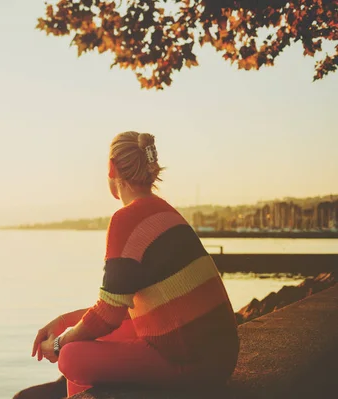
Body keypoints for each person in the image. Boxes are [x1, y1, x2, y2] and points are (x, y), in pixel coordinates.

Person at [14, 131, 239, 399]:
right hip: (220, 358)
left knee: (71, 357)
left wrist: (60, 344)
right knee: (81, 341)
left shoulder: (126, 219)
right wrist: (64, 322)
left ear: (111, 169)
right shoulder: (166, 212)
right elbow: (122, 308)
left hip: (192, 367)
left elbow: (108, 315)